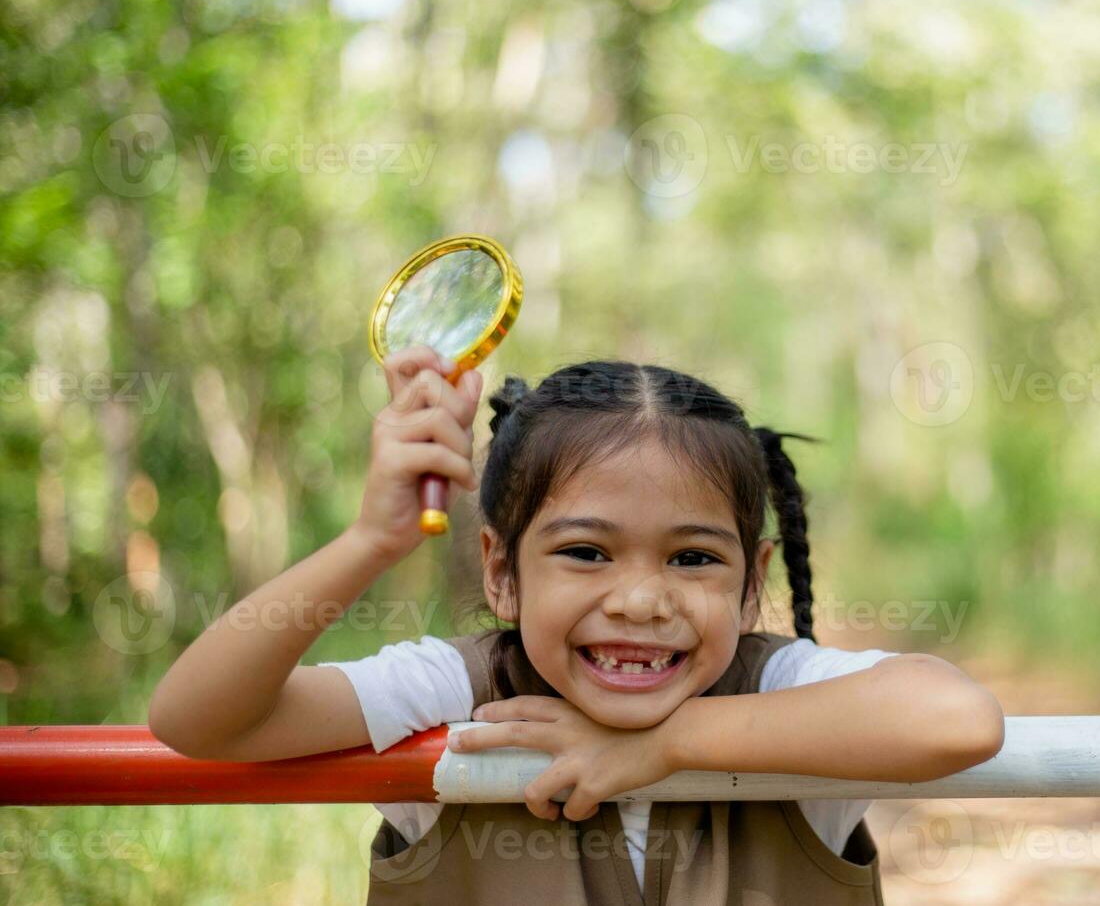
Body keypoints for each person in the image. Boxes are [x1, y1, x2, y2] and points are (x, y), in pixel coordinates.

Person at [149, 347, 1005, 903]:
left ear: (754, 586)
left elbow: (955, 718)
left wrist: (669, 745)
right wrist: (373, 542)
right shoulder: (459, 694)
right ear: (499, 570)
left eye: (694, 559)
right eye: (588, 553)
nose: (641, 600)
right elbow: (198, 719)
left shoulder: (777, 691)